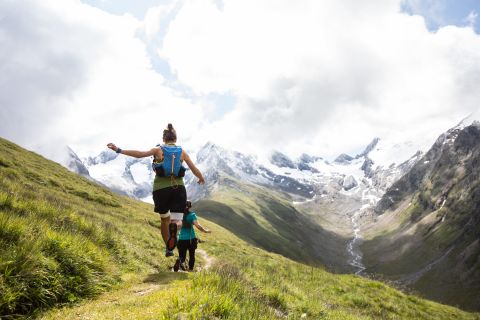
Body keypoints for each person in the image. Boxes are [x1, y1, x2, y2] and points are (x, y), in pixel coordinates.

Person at [107, 123, 205, 257]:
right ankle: (175, 228)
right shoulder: (182, 152)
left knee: (165, 220)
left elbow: (139, 154)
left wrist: (119, 150)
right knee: (177, 221)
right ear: (175, 139)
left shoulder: (158, 150)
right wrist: (200, 177)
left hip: (160, 190)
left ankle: (168, 248)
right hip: (178, 189)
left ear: (164, 139)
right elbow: (193, 169)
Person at [174, 200, 211, 272]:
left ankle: (179, 260)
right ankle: (190, 269)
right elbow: (197, 226)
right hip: (191, 238)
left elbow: (176, 226)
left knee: (182, 256)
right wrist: (205, 231)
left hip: (181, 238)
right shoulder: (192, 215)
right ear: (189, 207)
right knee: (192, 255)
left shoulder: (179, 216)